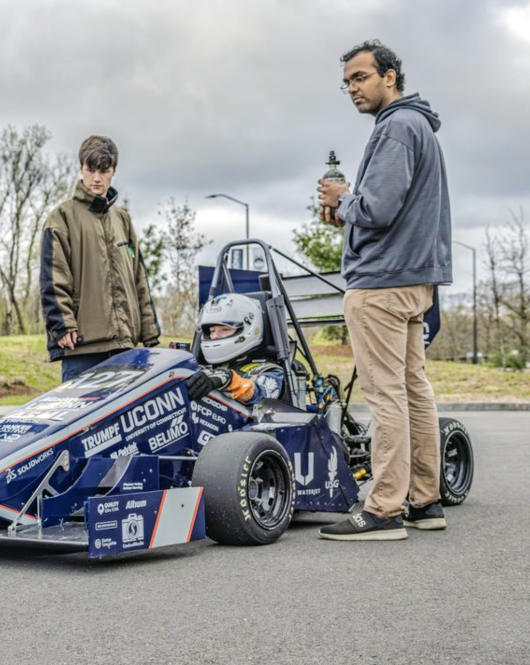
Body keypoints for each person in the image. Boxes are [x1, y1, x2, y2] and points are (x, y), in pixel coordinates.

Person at [315, 40, 451, 541]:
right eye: (347, 82)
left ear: (390, 77)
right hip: (414, 281)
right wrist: (352, 207)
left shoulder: (394, 127)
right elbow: (391, 210)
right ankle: (425, 501)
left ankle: (384, 510)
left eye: (361, 77)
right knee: (415, 391)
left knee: (386, 394)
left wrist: (344, 198)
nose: (353, 88)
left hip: (381, 285)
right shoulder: (419, 127)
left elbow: (379, 209)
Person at [40, 135, 160, 382]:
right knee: (80, 420)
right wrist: (62, 324)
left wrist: (150, 333)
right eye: (90, 169)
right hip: (82, 349)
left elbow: (139, 278)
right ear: (81, 168)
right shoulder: (61, 218)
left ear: (113, 171)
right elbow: (52, 277)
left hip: (125, 346)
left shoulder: (122, 219)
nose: (96, 178)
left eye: (103, 171)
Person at [184, 293, 284, 406]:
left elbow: (262, 396)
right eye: (212, 331)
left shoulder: (269, 370)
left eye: (225, 329)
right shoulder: (203, 369)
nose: (215, 336)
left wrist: (228, 380)